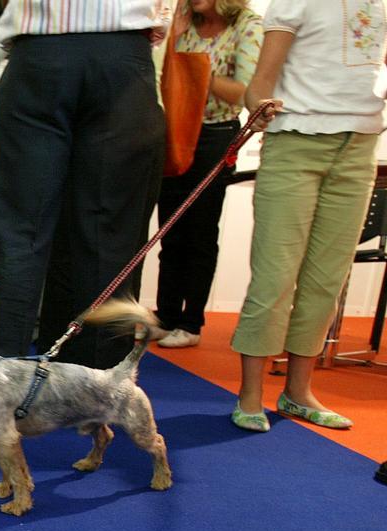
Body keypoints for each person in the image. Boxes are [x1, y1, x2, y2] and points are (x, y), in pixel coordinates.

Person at [229, 0, 386, 432]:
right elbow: (259, 83)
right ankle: (250, 395)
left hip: (360, 147)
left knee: (327, 279)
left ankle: (298, 394)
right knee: (275, 276)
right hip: (296, 141)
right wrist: (260, 107)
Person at [0, 0, 169, 369]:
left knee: (23, 233)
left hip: (37, 47)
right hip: (122, 52)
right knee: (110, 236)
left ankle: (3, 383)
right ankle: (100, 394)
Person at [155, 0, 263, 349]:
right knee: (170, 230)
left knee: (201, 231)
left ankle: (191, 321)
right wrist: (176, 36)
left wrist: (196, 74)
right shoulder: (184, 24)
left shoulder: (246, 24)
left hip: (217, 134)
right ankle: (165, 315)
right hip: (177, 130)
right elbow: (165, 77)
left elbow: (246, 91)